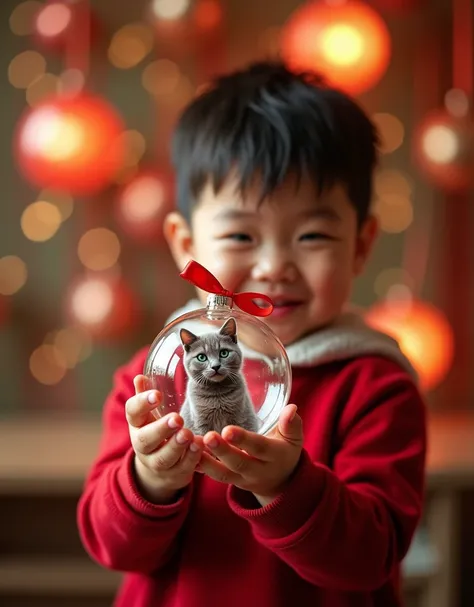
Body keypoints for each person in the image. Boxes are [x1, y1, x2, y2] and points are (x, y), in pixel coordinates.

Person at [77, 61, 426, 607]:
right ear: (185, 244)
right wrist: (149, 479)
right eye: (241, 233)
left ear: (360, 244)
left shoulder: (376, 385)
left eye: (312, 234)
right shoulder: (152, 381)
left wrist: (288, 486)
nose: (274, 266)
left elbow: (372, 557)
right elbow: (111, 548)